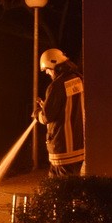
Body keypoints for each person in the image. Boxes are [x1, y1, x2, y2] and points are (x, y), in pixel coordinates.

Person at [34, 48, 86, 177]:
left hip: (62, 150)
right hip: (79, 148)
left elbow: (47, 117)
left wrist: (37, 113)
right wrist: (47, 105)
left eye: (47, 69)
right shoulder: (80, 79)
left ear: (55, 66)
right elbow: (68, 106)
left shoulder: (57, 86)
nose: (47, 73)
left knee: (59, 191)